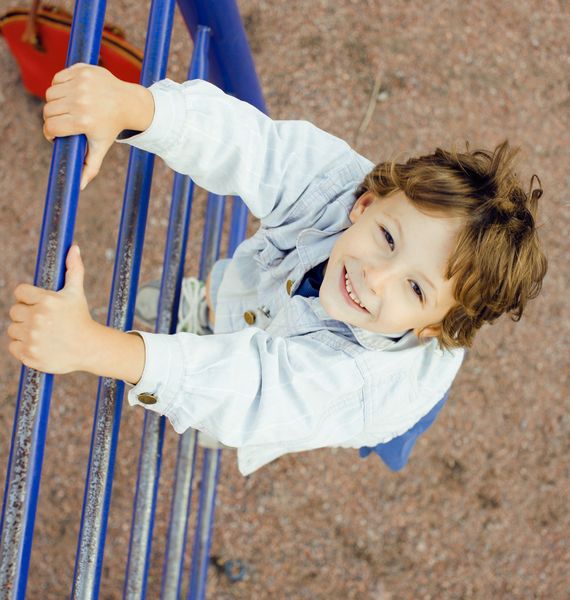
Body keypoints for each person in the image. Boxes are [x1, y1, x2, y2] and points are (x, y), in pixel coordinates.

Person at [7, 64, 548, 475]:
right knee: (246, 314)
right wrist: (133, 107)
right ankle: (215, 318)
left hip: (365, 395)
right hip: (283, 314)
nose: (375, 276)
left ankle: (207, 407)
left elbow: (255, 390)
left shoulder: (351, 381)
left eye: (414, 286)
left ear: (430, 327)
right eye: (386, 238)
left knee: (236, 408)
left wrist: (91, 346)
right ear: (367, 203)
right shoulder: (345, 187)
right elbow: (255, 147)